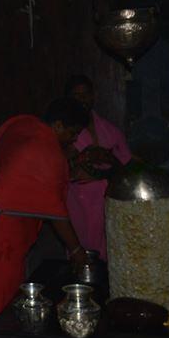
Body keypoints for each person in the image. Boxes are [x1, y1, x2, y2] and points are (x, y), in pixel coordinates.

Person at [0, 97, 90, 338]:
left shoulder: (26, 125)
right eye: (72, 133)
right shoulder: (46, 149)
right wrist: (77, 251)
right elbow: (58, 213)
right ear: (57, 126)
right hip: (1, 223)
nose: (73, 140)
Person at [64, 75, 132, 260]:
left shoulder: (110, 130)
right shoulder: (65, 131)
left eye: (86, 94)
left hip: (107, 201)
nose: (82, 99)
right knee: (80, 252)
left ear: (94, 96)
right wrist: (83, 158)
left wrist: (104, 165)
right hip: (78, 202)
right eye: (76, 95)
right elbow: (61, 169)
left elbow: (126, 167)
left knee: (110, 252)